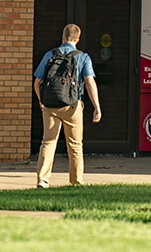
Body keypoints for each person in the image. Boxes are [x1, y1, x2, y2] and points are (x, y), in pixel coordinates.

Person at [33, 23, 101, 188]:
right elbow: (89, 82)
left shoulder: (50, 54)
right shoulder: (83, 57)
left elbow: (37, 82)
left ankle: (43, 179)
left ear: (62, 37)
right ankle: (76, 181)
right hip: (72, 105)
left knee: (48, 141)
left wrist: (42, 100)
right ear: (78, 39)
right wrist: (96, 106)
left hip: (50, 105)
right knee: (75, 143)